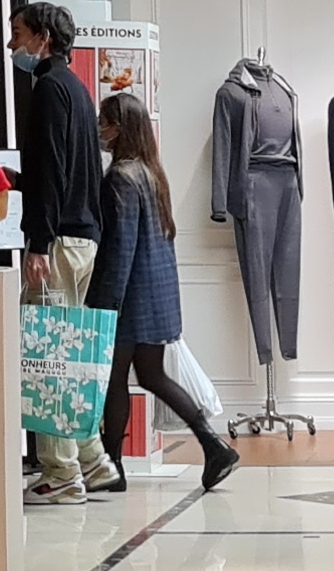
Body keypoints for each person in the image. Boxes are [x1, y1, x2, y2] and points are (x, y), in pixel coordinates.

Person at [87, 91, 241, 493]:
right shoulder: (151, 173)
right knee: (152, 375)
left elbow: (120, 248)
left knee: (116, 379)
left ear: (119, 128)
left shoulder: (120, 178)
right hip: (154, 295)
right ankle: (212, 446)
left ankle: (113, 467)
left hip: (128, 299)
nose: (100, 128)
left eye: (104, 121)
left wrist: (106, 305)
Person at [10, 3, 113, 499]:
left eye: (18, 33)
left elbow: (51, 169)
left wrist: (38, 241)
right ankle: (93, 460)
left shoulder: (49, 89)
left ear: (43, 38)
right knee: (69, 357)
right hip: (82, 238)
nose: (13, 45)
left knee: (46, 355)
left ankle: (61, 472)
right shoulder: (77, 87)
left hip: (57, 243)